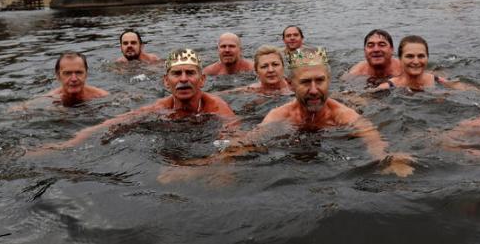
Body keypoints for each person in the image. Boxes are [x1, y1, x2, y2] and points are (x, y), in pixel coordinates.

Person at [162, 47, 413, 179]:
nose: (314, 90)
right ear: (291, 85)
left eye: (320, 81)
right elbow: (246, 144)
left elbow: (373, 139)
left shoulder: (343, 115)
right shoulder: (279, 115)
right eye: (305, 82)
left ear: (329, 82)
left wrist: (389, 159)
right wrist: (200, 167)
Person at [31, 49, 236, 153]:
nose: (183, 79)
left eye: (190, 73)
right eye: (176, 73)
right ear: (166, 81)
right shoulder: (160, 107)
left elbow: (236, 142)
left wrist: (202, 169)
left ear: (202, 80)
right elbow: (117, 121)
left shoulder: (216, 107)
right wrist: (71, 143)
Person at [370, 35, 475, 92]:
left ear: (427, 58)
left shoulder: (438, 81)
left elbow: (473, 92)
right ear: (400, 59)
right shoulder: (387, 87)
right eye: (410, 56)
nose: (416, 61)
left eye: (421, 56)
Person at [13, 52, 109, 110]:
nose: (74, 79)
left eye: (79, 72)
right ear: (58, 76)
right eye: (67, 73)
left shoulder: (102, 96)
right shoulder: (49, 99)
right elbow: (19, 109)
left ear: (86, 74)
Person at [228, 46, 293, 95]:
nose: (270, 70)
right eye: (264, 66)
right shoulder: (252, 90)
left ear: (283, 67)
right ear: (256, 71)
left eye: (275, 64)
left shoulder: (294, 88)